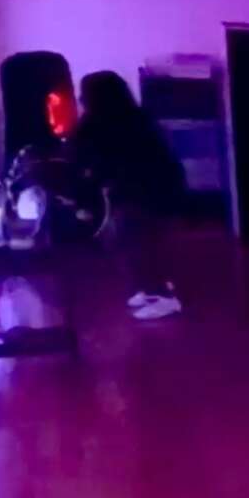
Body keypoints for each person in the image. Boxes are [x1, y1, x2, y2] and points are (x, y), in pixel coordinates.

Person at [70, 71, 188, 320]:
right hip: (145, 190)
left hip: (150, 191)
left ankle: (163, 298)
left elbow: (98, 160)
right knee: (135, 243)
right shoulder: (132, 118)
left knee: (139, 244)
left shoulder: (115, 124)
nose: (80, 99)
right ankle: (151, 289)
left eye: (85, 94)